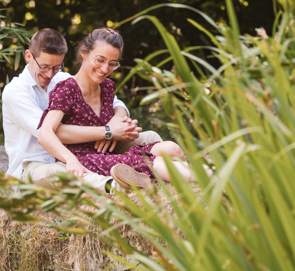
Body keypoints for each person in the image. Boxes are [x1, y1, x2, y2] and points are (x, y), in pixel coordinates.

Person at [2, 28, 162, 193]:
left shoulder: (62, 79)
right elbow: (48, 132)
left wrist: (114, 122)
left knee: (150, 138)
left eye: (57, 67)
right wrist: (107, 132)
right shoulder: (15, 92)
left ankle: (163, 174)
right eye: (44, 67)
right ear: (29, 56)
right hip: (36, 166)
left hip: (79, 153)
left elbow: (117, 104)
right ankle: (112, 185)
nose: (50, 74)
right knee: (61, 173)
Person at [37, 28, 197, 184]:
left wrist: (122, 125)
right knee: (151, 163)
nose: (105, 69)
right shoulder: (67, 89)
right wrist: (71, 159)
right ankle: (210, 179)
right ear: (84, 53)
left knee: (172, 148)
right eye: (100, 60)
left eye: (112, 63)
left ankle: (191, 176)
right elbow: (45, 133)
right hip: (83, 159)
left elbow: (119, 111)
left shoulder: (107, 86)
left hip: (108, 153)